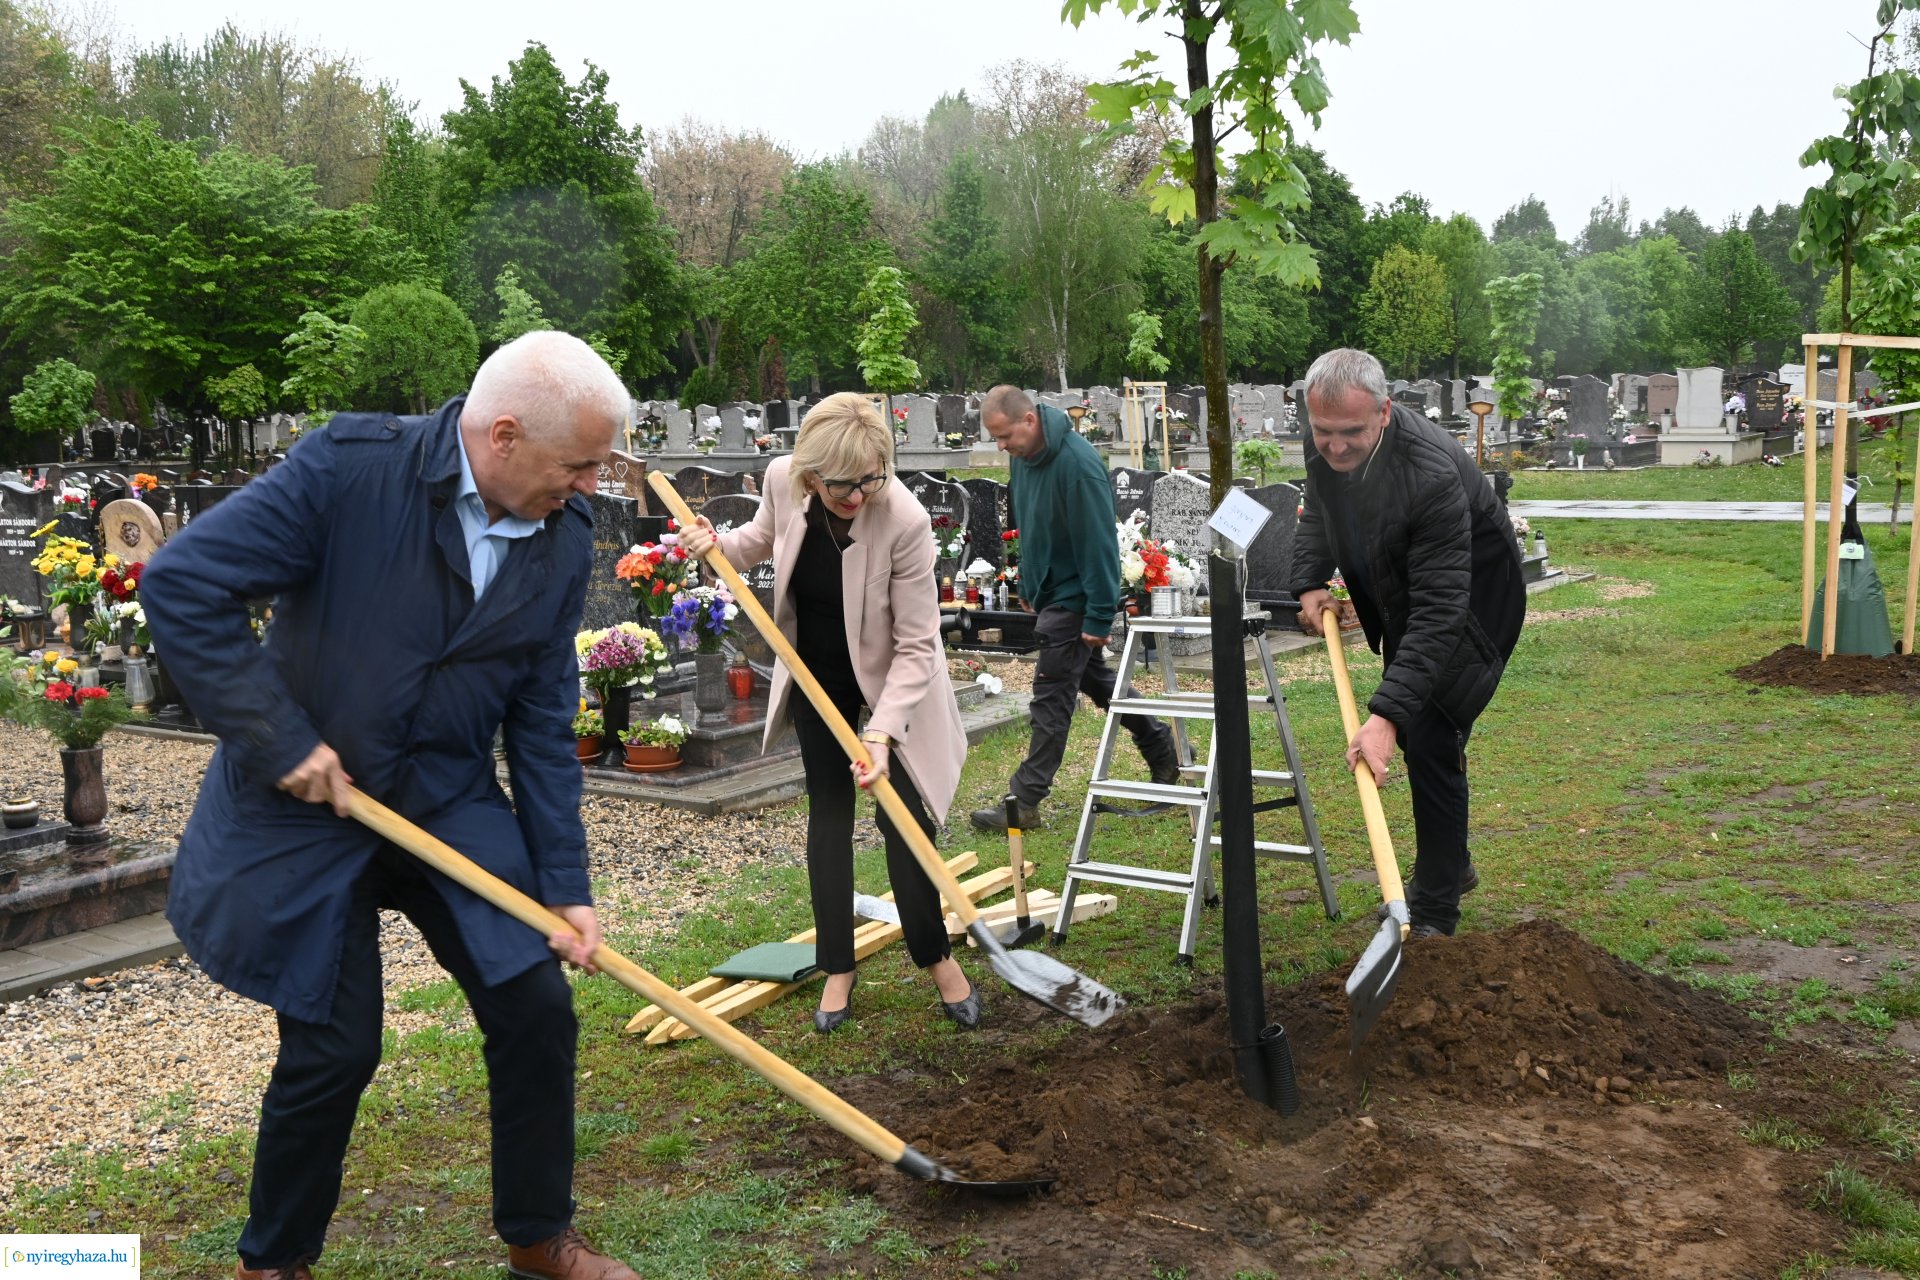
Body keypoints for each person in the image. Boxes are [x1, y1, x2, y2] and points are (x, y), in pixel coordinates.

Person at [141, 332, 641, 1280]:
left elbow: (539, 725)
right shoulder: (348, 470)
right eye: (577, 464)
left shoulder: (563, 538)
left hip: (446, 798)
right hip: (304, 807)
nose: (587, 486)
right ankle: (274, 1262)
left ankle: (539, 1237)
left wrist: (565, 885)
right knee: (336, 1046)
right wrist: (279, 738)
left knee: (536, 1003)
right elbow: (183, 582)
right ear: (502, 437)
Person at [679, 392, 978, 1032]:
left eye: (874, 477)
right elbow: (760, 541)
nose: (860, 495)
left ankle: (938, 959)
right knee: (829, 820)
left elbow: (919, 644)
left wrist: (880, 734)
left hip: (892, 687)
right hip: (817, 679)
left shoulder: (904, 520)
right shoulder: (783, 481)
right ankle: (837, 966)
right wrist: (715, 545)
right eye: (845, 484)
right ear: (811, 473)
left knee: (905, 825)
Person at [1291, 348, 1525, 941]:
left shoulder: (1430, 473)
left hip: (1474, 603)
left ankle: (1436, 909)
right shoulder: (1325, 437)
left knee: (1430, 731)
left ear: (1385, 413)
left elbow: (1441, 610)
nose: (1334, 447)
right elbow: (1320, 507)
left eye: (1351, 433)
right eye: (1323, 432)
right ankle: (1451, 868)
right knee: (1426, 730)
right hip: (1409, 590)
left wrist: (1386, 716)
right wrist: (1311, 581)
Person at [969, 385, 1180, 833]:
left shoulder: (1079, 466)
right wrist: (1028, 577)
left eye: (1005, 435)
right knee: (1097, 681)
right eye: (995, 438)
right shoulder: (1023, 457)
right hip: (1053, 592)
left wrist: (1100, 613)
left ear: (1029, 419)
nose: (1001, 446)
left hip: (1078, 596)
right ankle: (1164, 749)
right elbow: (1029, 522)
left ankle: (1025, 799)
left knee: (1051, 696)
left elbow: (1099, 545)